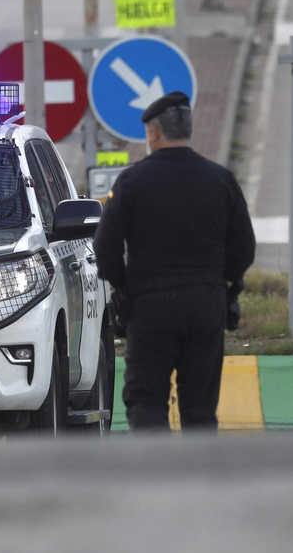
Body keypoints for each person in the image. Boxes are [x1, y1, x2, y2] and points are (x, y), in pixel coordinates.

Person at [93, 91, 255, 431]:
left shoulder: (132, 182)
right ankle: (201, 478)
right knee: (200, 407)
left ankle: (159, 478)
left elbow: (105, 247)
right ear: (188, 129)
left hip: (150, 308)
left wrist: (122, 287)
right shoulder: (220, 179)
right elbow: (244, 248)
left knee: (146, 400)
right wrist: (223, 282)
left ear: (153, 132)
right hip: (207, 304)